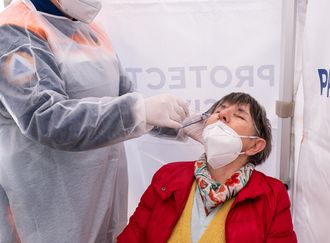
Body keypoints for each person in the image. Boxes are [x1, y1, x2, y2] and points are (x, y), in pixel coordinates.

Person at [0, 0, 191, 242]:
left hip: (102, 198)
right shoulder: (14, 31)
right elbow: (45, 118)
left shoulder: (92, 30)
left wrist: (188, 124)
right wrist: (138, 111)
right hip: (48, 209)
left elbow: (125, 97)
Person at [118, 92, 298, 243]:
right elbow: (133, 237)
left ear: (255, 146)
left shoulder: (273, 194)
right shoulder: (167, 176)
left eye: (239, 115)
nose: (222, 115)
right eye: (218, 111)